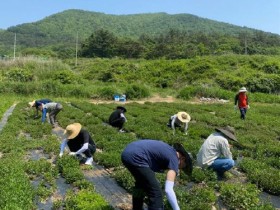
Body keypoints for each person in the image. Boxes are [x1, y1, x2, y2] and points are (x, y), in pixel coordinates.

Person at [121, 139, 193, 210]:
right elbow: (168, 190)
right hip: (137, 157)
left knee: (141, 184)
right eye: (184, 166)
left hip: (128, 152)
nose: (181, 168)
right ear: (183, 159)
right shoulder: (174, 159)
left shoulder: (169, 151)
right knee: (156, 193)